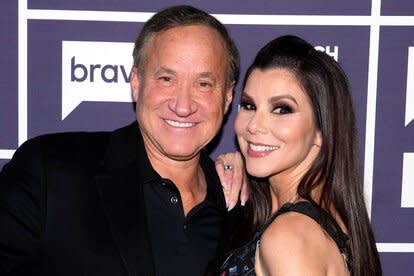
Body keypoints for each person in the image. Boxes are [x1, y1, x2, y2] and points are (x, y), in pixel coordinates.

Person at [0, 5, 241, 275]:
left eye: (204, 84)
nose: (183, 106)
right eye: (166, 79)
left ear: (228, 96)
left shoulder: (245, 211)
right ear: (136, 82)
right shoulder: (49, 173)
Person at [218, 35, 382, 275]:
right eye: (250, 106)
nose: (254, 125)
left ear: (322, 130)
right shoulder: (320, 222)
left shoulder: (290, 236)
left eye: (282, 109)